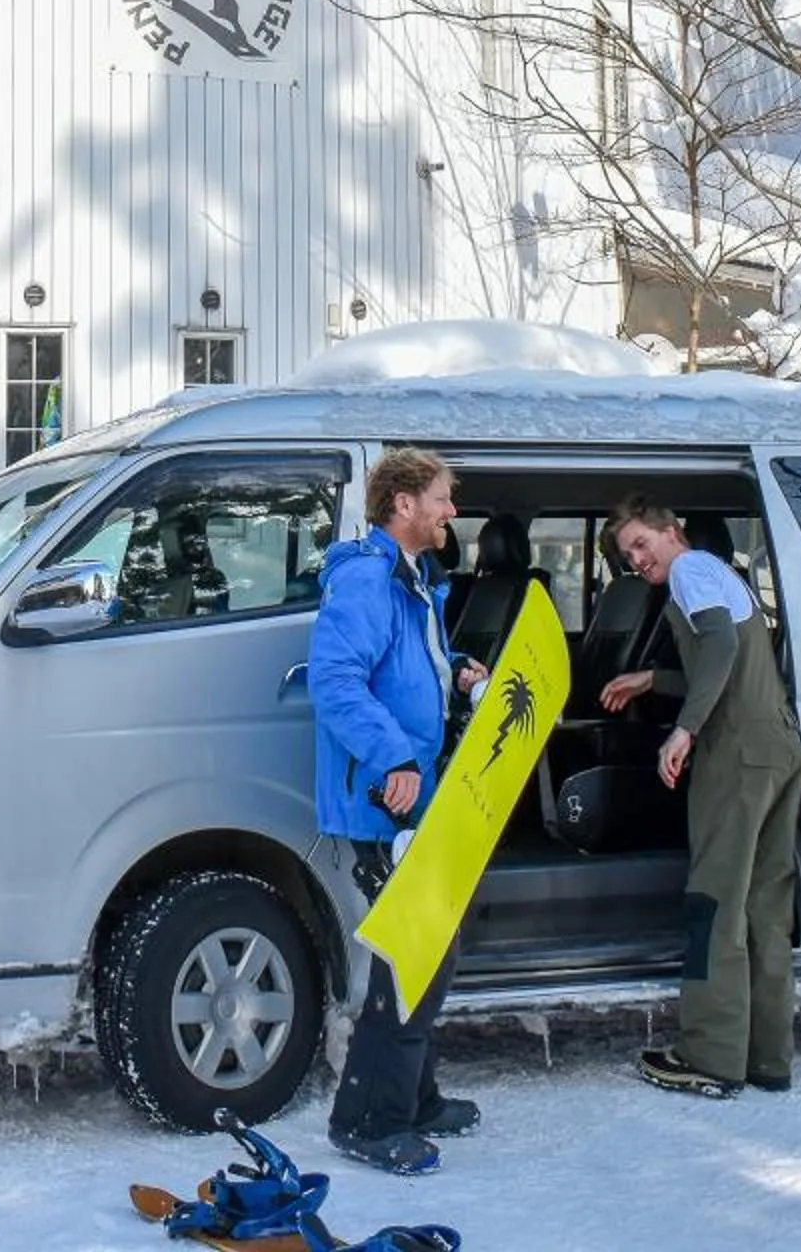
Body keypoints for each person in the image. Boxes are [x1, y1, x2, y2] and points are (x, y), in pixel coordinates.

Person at [310, 447, 487, 1175]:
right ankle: (369, 1121)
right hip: (385, 799)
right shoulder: (365, 579)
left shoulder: (415, 582)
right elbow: (336, 679)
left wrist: (462, 676)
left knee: (425, 955)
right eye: (443, 498)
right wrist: (395, 760)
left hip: (419, 798)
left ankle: (415, 1098)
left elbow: (409, 678)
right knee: (412, 963)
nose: (452, 511)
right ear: (404, 503)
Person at [598, 496, 801, 1099]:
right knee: (766, 909)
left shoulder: (689, 571)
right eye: (627, 553)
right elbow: (733, 661)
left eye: (642, 544)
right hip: (777, 746)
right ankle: (768, 1058)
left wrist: (684, 729)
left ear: (673, 531)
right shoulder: (721, 572)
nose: (636, 559)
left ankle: (710, 1057)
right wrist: (653, 680)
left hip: (735, 755)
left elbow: (718, 649)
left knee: (713, 904)